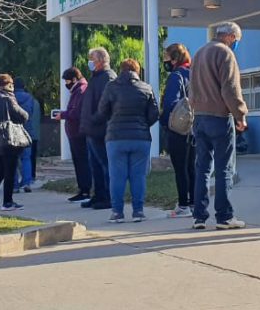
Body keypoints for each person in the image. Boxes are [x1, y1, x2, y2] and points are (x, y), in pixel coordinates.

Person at [188, 22, 248, 231]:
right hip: (220, 117)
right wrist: (240, 115)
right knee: (224, 168)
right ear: (230, 36)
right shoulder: (225, 54)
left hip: (199, 117)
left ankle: (199, 216)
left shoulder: (199, 53)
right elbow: (230, 89)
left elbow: (191, 88)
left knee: (202, 168)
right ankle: (224, 216)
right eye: (236, 39)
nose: (236, 43)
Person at [99, 58, 160, 223]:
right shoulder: (146, 88)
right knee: (138, 176)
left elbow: (102, 110)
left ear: (121, 70)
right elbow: (155, 112)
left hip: (116, 137)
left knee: (117, 176)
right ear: (137, 71)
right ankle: (138, 211)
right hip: (140, 138)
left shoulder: (111, 87)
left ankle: (117, 212)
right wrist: (143, 124)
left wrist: (112, 121)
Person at [0, 74, 30, 211]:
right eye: (10, 84)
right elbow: (22, 115)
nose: (12, 87)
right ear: (4, 86)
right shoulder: (7, 99)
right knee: (9, 170)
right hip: (8, 138)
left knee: (1, 170)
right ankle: (7, 202)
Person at [159, 43, 195, 217]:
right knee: (192, 167)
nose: (165, 62)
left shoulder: (176, 76)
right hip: (195, 127)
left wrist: (164, 122)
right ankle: (195, 202)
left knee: (180, 168)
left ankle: (183, 205)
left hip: (178, 127)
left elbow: (170, 104)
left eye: (166, 58)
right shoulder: (195, 73)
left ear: (174, 59)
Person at [79, 47, 116, 211]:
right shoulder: (96, 77)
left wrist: (94, 120)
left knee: (105, 164)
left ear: (101, 61)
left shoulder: (108, 77)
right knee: (95, 166)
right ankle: (98, 195)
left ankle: (108, 197)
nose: (90, 62)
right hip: (92, 130)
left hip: (101, 130)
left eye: (92, 59)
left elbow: (107, 105)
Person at [54, 67, 92, 202]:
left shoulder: (81, 90)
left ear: (75, 79)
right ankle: (83, 189)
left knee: (82, 162)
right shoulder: (77, 90)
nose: (66, 84)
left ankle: (85, 190)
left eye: (67, 81)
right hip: (75, 132)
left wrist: (63, 114)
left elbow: (77, 112)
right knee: (78, 162)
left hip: (79, 132)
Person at [13, 78, 41, 193]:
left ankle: (14, 185)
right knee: (26, 158)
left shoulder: (11, 98)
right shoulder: (30, 98)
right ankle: (27, 183)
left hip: (13, 131)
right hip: (27, 131)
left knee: (13, 159)